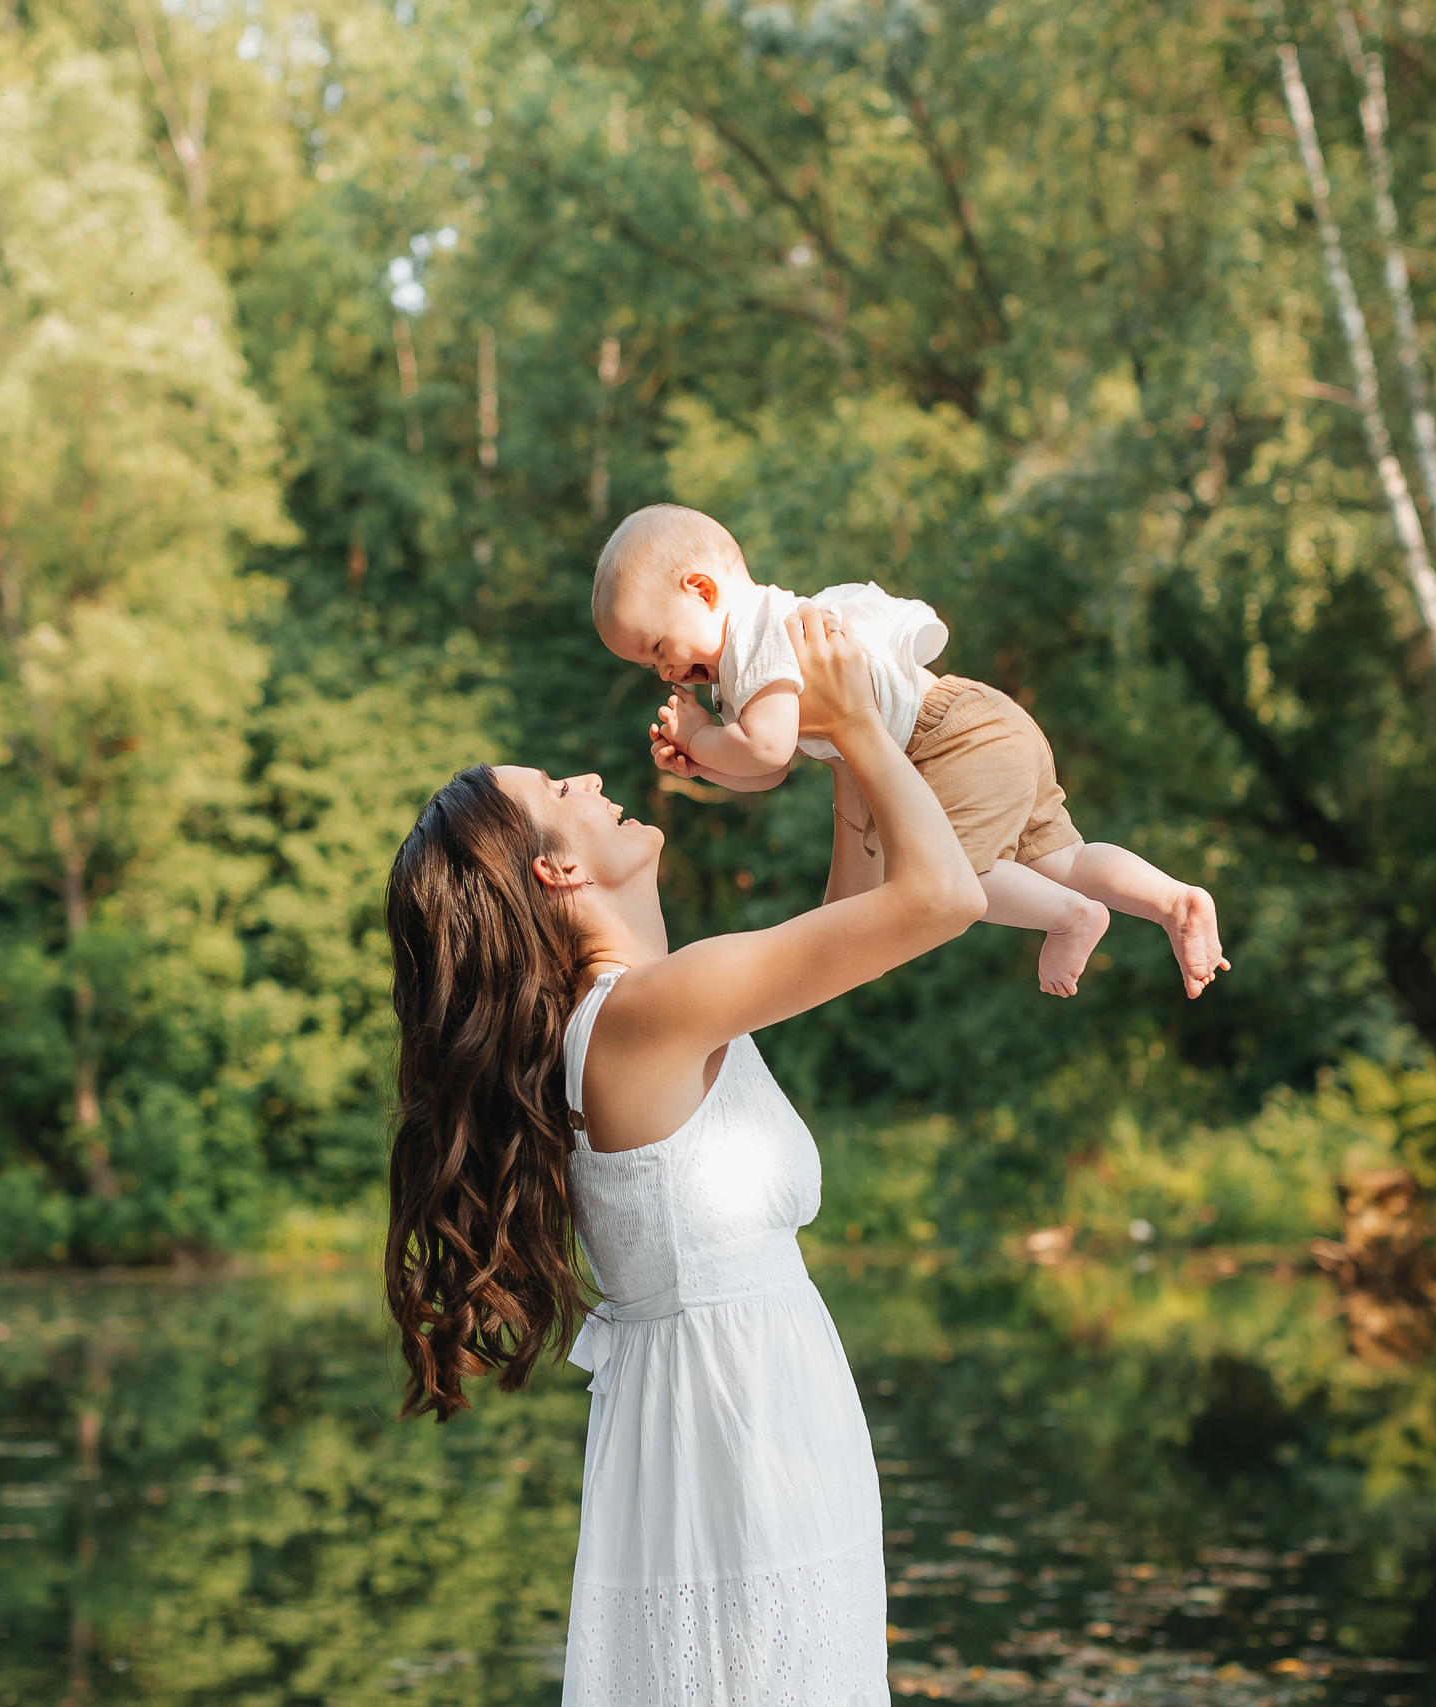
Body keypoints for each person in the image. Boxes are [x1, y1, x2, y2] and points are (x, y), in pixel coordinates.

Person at [384, 606, 986, 1705]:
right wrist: (857, 727)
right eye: (555, 795)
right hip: (742, 1436)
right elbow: (941, 899)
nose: (585, 780)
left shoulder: (645, 1013)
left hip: (749, 1414)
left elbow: (860, 914)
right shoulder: (644, 1012)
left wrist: (837, 738)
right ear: (556, 874)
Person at [591, 502, 1229, 1000]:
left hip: (945, 739)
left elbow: (767, 746)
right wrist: (707, 763)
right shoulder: (747, 659)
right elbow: (770, 770)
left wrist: (704, 736)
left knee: (949, 873)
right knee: (1063, 855)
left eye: (656, 647)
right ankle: (1173, 899)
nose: (666, 670)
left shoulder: (755, 635)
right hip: (981, 719)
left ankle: (1071, 919)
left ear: (701, 590)